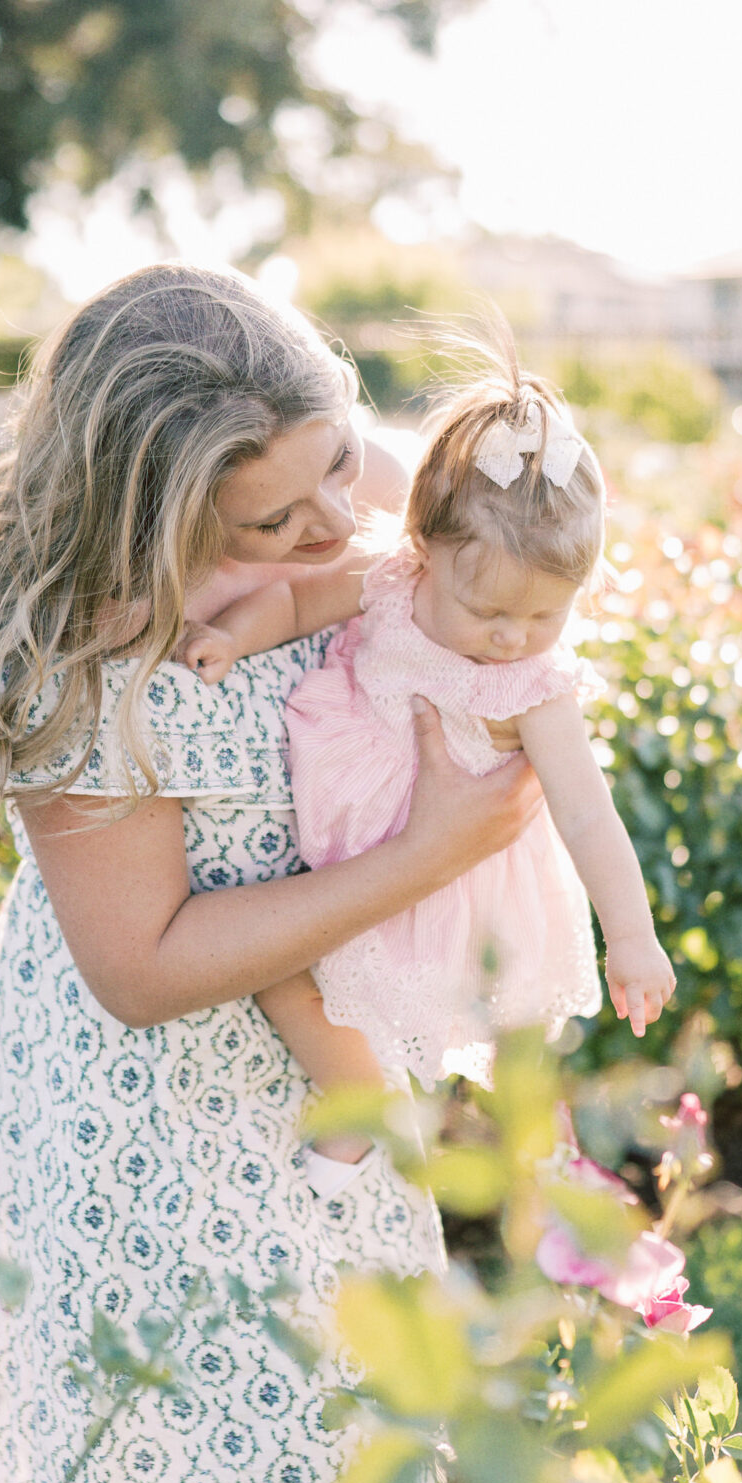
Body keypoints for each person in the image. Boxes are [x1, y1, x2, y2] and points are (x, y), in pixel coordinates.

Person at [0, 264, 541, 1483]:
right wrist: (429, 852)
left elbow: (476, 548)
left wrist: (303, 579)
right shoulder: (83, 653)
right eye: (273, 517)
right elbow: (145, 966)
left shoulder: (318, 459)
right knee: (162, 1464)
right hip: (146, 1118)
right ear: (156, 515)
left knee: (347, 1420)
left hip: (317, 1068)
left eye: (336, 461)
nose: (340, 513)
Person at [177, 350, 676, 1093]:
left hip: (445, 889)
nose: (512, 636)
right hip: (352, 843)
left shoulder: (536, 688)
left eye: (546, 613)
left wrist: (632, 937)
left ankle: (379, 1125)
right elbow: (294, 604)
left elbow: (586, 812)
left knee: (361, 998)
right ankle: (369, 1114)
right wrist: (231, 636)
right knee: (283, 976)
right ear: (425, 547)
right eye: (488, 611)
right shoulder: (390, 580)